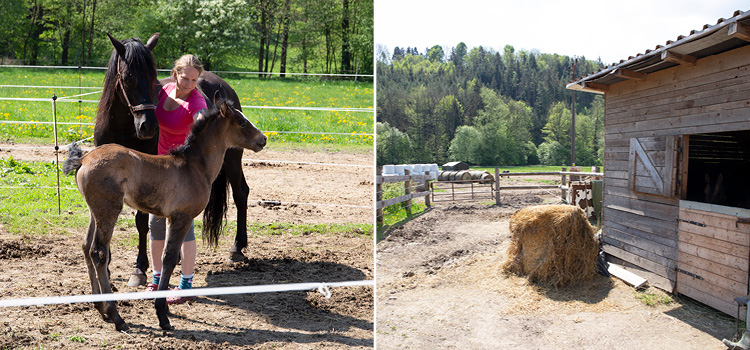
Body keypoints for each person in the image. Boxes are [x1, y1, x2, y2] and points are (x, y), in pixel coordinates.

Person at [145, 54, 207, 305]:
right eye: (185, 77)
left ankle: (186, 285)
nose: (189, 83)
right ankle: (157, 279)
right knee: (155, 225)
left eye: (194, 80)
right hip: (160, 168)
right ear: (175, 74)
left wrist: (204, 124)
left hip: (182, 173)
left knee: (184, 229)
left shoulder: (196, 101)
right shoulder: (164, 91)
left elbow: (202, 120)